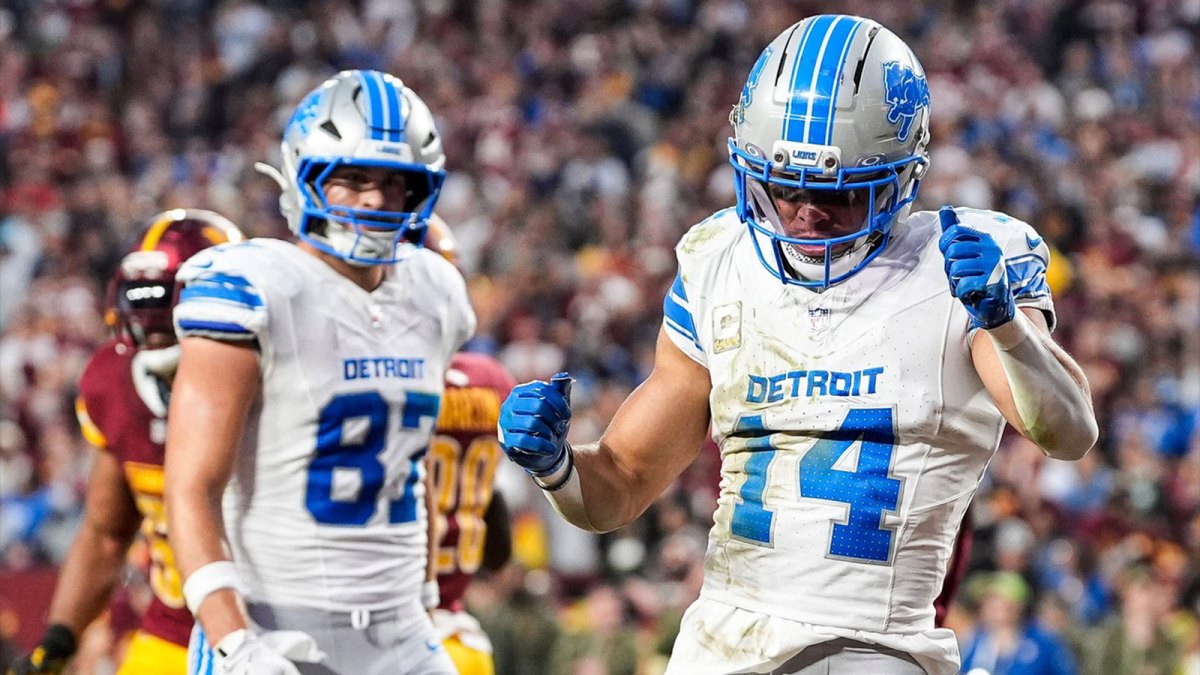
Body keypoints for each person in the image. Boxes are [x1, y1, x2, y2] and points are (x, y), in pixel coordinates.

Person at [497, 14, 1098, 675]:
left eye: (836, 195)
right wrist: (556, 464)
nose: (808, 213)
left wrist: (1006, 322)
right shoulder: (719, 259)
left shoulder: (960, 264)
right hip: (722, 641)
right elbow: (622, 483)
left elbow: (1067, 432)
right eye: (787, 187)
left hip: (876, 647)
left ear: (902, 179)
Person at [163, 70, 474, 675]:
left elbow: (412, 461)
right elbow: (190, 487)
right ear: (305, 176)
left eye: (395, 183)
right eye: (353, 180)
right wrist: (235, 643)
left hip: (403, 631)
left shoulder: (436, 290)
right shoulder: (253, 290)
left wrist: (428, 597)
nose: (376, 201)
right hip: (273, 625)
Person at [8, 210, 243, 675]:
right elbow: (106, 533)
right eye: (147, 302)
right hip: (173, 629)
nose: (154, 327)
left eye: (169, 301)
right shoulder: (114, 382)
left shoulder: (278, 380)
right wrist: (59, 638)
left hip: (276, 625)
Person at [422, 216, 516, 675]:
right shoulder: (490, 379)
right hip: (459, 637)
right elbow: (499, 545)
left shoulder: (387, 383)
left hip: (388, 635)